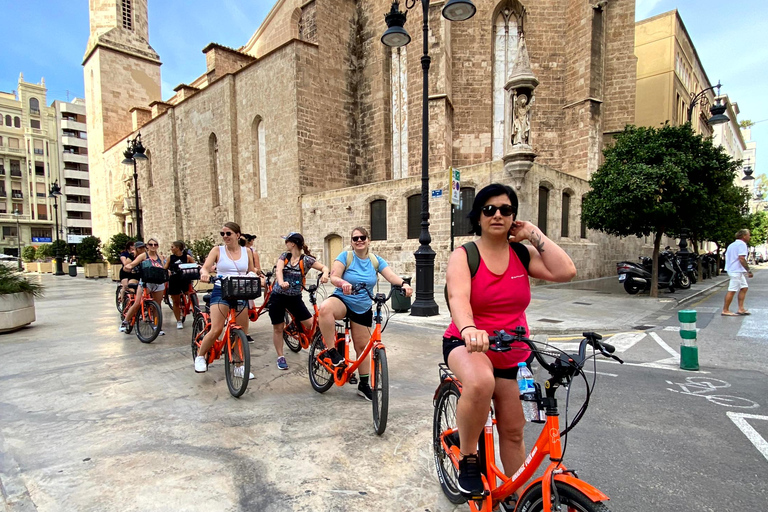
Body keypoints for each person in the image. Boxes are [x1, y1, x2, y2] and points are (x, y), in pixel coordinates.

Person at [443, 183, 576, 498]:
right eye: (489, 209)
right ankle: (469, 458)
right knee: (479, 382)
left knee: (514, 432)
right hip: (468, 344)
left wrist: (532, 232)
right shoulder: (464, 256)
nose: (498, 215)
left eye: (506, 210)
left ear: (514, 217)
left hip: (514, 352)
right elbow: (458, 297)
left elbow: (566, 271)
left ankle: (518, 498)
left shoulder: (521, 253)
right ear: (478, 217)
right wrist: (469, 329)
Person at [317, 227, 412, 400]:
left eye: (362, 238)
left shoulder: (375, 260)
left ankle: (363, 384)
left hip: (363, 305)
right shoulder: (345, 257)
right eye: (355, 238)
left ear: (368, 240)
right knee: (325, 308)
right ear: (351, 242)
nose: (359, 240)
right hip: (343, 300)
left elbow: (391, 276)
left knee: (362, 347)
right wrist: (343, 283)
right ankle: (331, 350)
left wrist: (404, 284)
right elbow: (334, 276)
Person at [195, 222, 258, 376]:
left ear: (237, 235)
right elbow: (205, 266)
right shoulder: (218, 250)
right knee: (216, 329)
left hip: (240, 291)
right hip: (220, 290)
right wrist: (204, 273)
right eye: (222, 234)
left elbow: (251, 270)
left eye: (228, 233)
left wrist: (256, 276)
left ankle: (238, 366)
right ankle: (200, 356)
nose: (225, 237)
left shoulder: (247, 251)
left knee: (241, 331)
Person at [268, 232, 329, 370]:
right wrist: (282, 282)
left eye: (287, 242)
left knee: (311, 324)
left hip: (294, 298)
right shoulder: (284, 256)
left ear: (292, 243)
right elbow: (279, 271)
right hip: (278, 296)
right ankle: (280, 357)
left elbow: (324, 267)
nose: (285, 244)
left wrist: (325, 274)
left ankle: (318, 346)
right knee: (278, 328)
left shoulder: (306, 260)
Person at [121, 238, 167, 335]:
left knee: (157, 306)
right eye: (151, 244)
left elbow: (163, 268)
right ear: (147, 246)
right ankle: (125, 321)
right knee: (137, 303)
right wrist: (128, 267)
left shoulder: (161, 257)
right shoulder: (143, 256)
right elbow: (133, 263)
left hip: (158, 282)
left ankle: (156, 326)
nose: (153, 246)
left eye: (155, 244)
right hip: (146, 282)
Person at [165, 240, 197, 329]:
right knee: (176, 302)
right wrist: (167, 271)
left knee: (191, 294)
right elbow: (165, 268)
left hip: (185, 280)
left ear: (178, 248)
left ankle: (194, 311)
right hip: (174, 280)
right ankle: (178, 321)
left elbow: (194, 266)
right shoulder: (170, 258)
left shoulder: (187, 257)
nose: (171, 249)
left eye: (172, 247)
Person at [722, 229, 753, 316]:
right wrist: (748, 270)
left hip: (734, 270)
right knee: (732, 290)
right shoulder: (742, 244)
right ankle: (725, 310)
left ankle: (741, 309)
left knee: (744, 287)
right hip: (736, 270)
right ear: (744, 236)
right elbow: (741, 258)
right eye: (748, 235)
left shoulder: (732, 245)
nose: (749, 237)